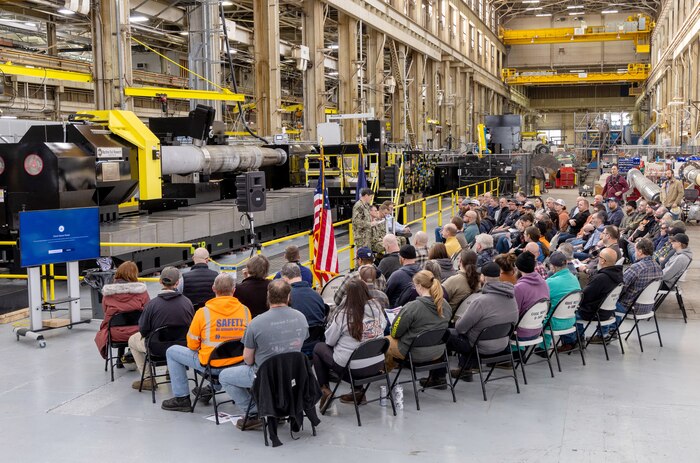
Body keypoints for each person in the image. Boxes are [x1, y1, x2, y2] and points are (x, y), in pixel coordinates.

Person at [219, 280, 309, 430]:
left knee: (224, 376)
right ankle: (276, 409)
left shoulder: (256, 323)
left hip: (265, 378)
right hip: (294, 375)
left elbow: (247, 359)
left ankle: (255, 413)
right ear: (288, 297)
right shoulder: (301, 317)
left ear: (268, 296)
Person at [161, 273, 251, 412]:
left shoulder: (203, 313)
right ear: (233, 290)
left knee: (172, 351)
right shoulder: (245, 311)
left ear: (213, 288)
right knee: (221, 355)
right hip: (238, 363)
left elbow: (192, 345)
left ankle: (182, 398)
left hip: (212, 365)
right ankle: (209, 390)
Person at [314, 278, 386, 408]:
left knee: (319, 348)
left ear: (347, 295)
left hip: (354, 368)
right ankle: (358, 392)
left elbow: (329, 341)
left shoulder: (344, 314)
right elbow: (384, 325)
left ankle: (325, 389)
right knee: (359, 351)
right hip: (377, 364)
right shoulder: (377, 306)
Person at [448, 262, 519, 379]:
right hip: (502, 343)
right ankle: (465, 369)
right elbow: (514, 322)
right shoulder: (511, 297)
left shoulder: (480, 301)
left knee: (446, 334)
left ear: (483, 277)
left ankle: (438, 376)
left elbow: (460, 328)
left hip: (480, 346)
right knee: (475, 332)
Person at [128, 267, 195, 390]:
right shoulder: (187, 303)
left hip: (156, 348)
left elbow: (143, 330)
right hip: (182, 346)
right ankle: (171, 370)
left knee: (132, 340)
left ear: (160, 281)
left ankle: (148, 379)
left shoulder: (152, 305)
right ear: (177, 282)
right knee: (176, 335)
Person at [386, 270, 452, 388]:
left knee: (385, 341)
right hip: (437, 351)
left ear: (419, 286)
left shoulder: (413, 307)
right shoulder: (445, 305)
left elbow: (395, 333)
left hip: (413, 352)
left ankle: (382, 372)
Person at [591, 238, 662, 344]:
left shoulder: (636, 268)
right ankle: (612, 329)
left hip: (631, 307)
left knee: (607, 300)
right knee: (619, 298)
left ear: (640, 251)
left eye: (635, 249)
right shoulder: (658, 267)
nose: (634, 252)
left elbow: (619, 288)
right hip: (648, 307)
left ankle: (603, 335)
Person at [558, 248, 622, 351]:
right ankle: (595, 336)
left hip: (594, 313)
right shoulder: (618, 275)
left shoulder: (601, 278)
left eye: (599, 257)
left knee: (569, 311)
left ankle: (574, 341)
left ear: (603, 261)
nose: (598, 259)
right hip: (608, 311)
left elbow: (583, 296)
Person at [95, 261, 150, 361]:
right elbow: (148, 312)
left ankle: (120, 357)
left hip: (115, 334)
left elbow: (105, 312)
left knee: (118, 322)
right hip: (138, 333)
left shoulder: (108, 293)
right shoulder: (142, 292)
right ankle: (133, 355)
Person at [542, 252, 581, 349]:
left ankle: (543, 347)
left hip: (552, 324)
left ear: (553, 267)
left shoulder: (550, 282)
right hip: (571, 320)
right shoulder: (574, 278)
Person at [513, 251, 549, 342]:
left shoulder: (519, 288)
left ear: (517, 267)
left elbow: (513, 315)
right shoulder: (544, 283)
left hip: (520, 333)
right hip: (537, 329)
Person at [281, 263, 326, 328]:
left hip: (297, 335)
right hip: (318, 336)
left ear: (284, 279)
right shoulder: (317, 296)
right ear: (300, 276)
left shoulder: (286, 297)